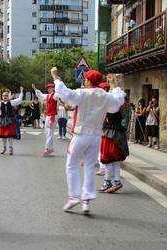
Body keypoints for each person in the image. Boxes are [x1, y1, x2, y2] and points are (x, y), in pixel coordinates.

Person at [51, 68, 125, 214]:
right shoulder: (105, 96)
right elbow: (118, 102)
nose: (84, 81)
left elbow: (66, 94)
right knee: (89, 167)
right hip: (96, 136)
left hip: (81, 134)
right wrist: (113, 84)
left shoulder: (82, 93)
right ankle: (87, 200)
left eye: (85, 79)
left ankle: (73, 197)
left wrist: (56, 77)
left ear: (89, 81)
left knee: (72, 165)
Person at [98, 82, 129, 194]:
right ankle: (116, 181)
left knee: (109, 160)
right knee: (114, 161)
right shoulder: (117, 104)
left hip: (111, 135)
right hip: (114, 134)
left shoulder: (113, 105)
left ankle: (108, 182)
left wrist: (112, 84)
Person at [0, 87, 24, 155]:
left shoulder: (11, 102)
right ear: (2, 97)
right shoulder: (0, 103)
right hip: (2, 120)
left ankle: (11, 148)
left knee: (9, 135)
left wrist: (21, 91)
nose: (4, 97)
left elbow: (19, 100)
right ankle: (4, 148)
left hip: (9, 120)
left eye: (6, 96)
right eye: (3, 96)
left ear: (8, 96)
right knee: (3, 135)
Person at [32, 83, 59, 156]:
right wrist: (35, 89)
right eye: (48, 88)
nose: (48, 89)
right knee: (47, 132)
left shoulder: (55, 96)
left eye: (50, 88)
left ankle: (47, 149)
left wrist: (58, 86)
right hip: (48, 115)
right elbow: (40, 95)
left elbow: (59, 94)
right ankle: (51, 148)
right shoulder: (47, 96)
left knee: (50, 132)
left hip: (53, 116)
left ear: (53, 88)